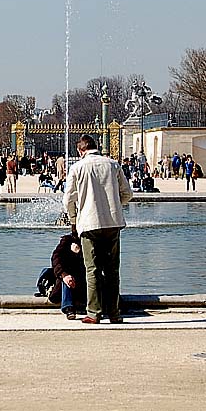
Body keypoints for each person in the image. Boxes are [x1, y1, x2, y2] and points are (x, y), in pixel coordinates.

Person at [61, 134, 134, 324]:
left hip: (89, 224)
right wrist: (115, 205)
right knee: (112, 271)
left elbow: (68, 199)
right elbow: (127, 193)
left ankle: (94, 312)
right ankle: (114, 313)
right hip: (112, 223)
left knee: (91, 269)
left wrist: (74, 219)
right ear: (96, 147)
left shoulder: (77, 167)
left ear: (80, 150)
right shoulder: (113, 164)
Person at [50, 232, 87, 320]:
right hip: (67, 282)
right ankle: (68, 308)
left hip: (84, 283)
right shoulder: (67, 241)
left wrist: (79, 253)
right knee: (68, 279)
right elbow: (56, 258)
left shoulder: (91, 242)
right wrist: (64, 275)